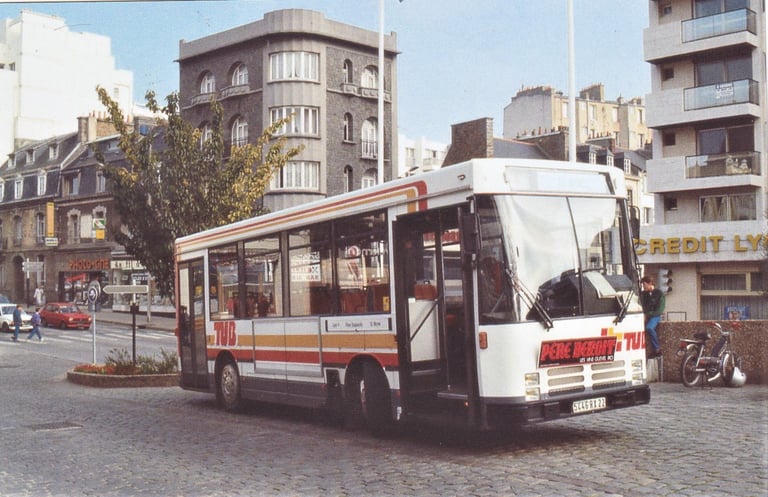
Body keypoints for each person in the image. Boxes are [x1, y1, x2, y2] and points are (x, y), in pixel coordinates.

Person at [640, 275, 665, 358]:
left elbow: (660, 310)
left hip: (655, 315)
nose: (643, 287)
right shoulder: (644, 294)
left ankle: (657, 349)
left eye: (644, 285)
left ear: (650, 283)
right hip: (646, 315)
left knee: (649, 328)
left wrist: (647, 314)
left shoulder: (659, 293)